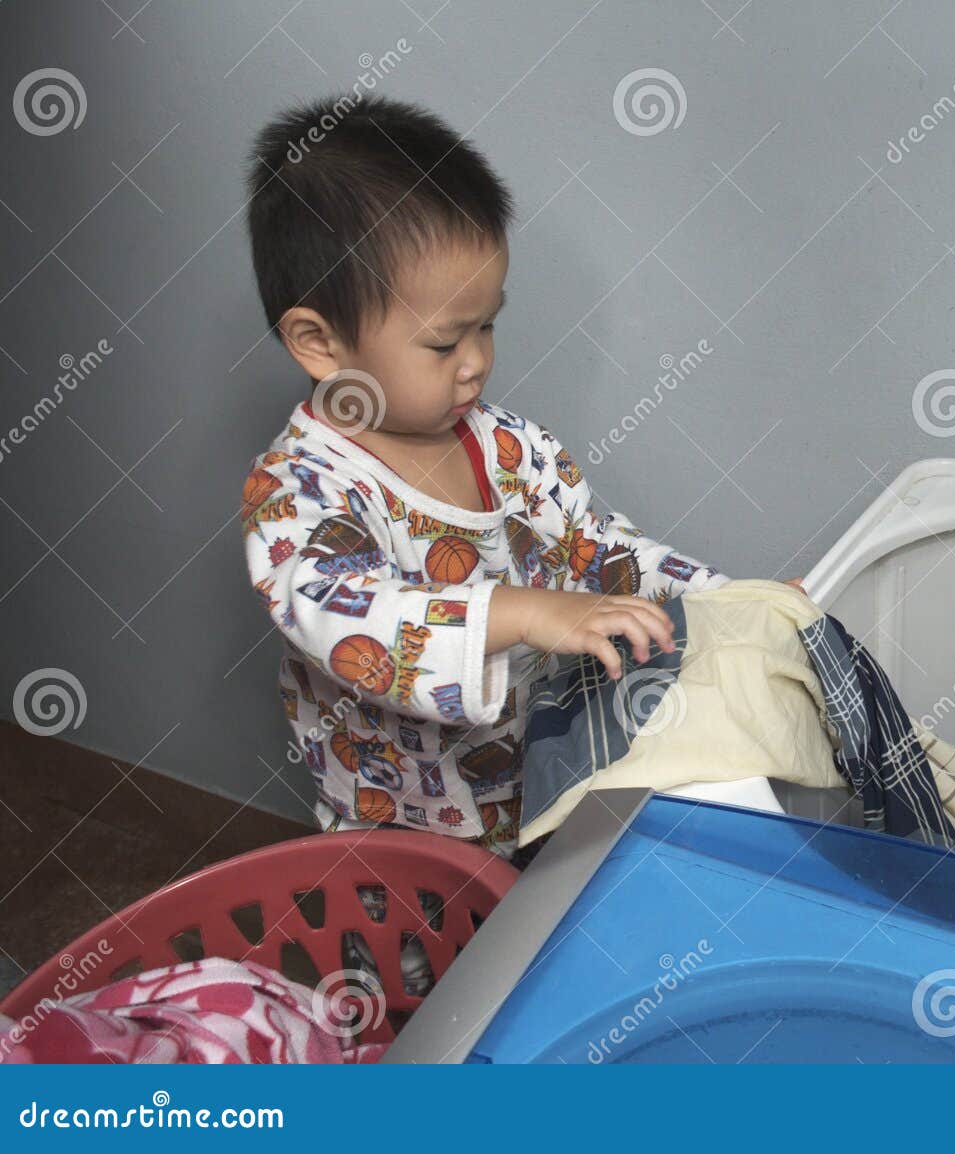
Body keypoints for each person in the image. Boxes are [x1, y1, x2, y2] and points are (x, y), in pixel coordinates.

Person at [239, 95, 766, 860]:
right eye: (445, 341)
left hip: (539, 786)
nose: (478, 360)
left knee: (532, 946)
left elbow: (599, 549)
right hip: (403, 840)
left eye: (488, 325)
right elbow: (352, 619)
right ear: (321, 343)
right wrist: (520, 612)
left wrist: (730, 603)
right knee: (429, 979)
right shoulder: (297, 492)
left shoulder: (508, 447)